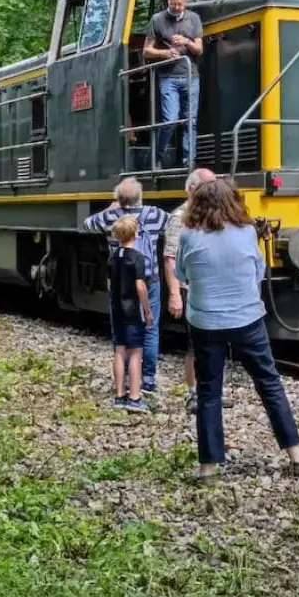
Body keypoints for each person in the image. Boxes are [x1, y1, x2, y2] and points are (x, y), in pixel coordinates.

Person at [176, 179, 299, 481]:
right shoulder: (247, 231)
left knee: (209, 391)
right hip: (247, 320)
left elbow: (181, 274)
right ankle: (297, 455)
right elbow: (256, 270)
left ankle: (208, 466)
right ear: (233, 202)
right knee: (269, 383)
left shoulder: (188, 235)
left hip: (206, 323)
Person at [81, 177, 168, 394]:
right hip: (149, 279)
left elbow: (87, 224)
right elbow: (176, 222)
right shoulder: (154, 214)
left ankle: (126, 378)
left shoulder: (111, 216)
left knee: (121, 330)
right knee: (150, 329)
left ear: (119, 198)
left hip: (120, 284)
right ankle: (148, 379)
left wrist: (112, 208)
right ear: (140, 196)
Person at [163, 167, 217, 414]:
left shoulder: (216, 216)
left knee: (216, 343)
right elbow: (170, 257)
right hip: (190, 288)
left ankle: (214, 391)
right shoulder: (179, 217)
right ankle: (193, 393)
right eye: (208, 187)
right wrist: (174, 293)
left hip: (213, 287)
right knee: (195, 345)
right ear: (192, 189)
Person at [143, 0, 203, 169]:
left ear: (185, 2)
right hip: (168, 78)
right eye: (174, 3)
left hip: (191, 77)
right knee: (170, 120)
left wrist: (186, 41)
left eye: (180, 4)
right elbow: (146, 51)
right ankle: (157, 157)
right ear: (167, 0)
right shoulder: (157, 19)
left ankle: (188, 164)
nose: (177, 7)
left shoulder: (194, 19)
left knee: (190, 122)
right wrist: (164, 54)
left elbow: (199, 49)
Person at [108, 215, 153, 413]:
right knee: (136, 353)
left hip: (116, 309)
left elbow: (109, 285)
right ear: (135, 233)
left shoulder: (112, 257)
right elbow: (140, 286)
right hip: (133, 310)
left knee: (119, 351)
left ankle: (119, 395)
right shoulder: (137, 257)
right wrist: (147, 310)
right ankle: (135, 396)